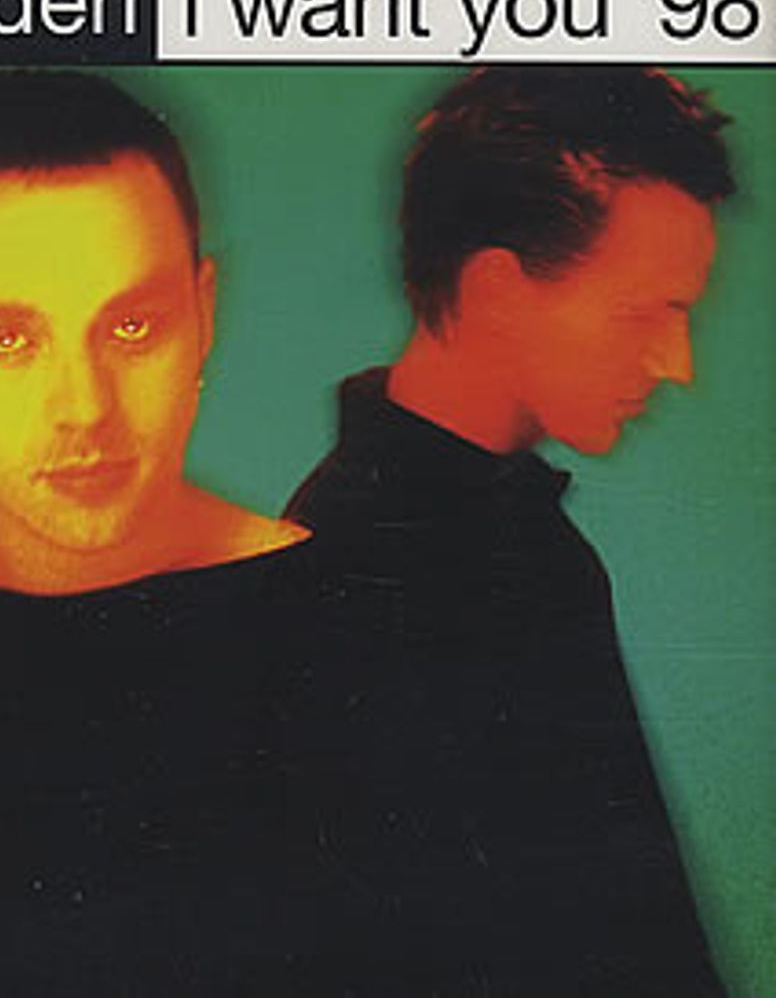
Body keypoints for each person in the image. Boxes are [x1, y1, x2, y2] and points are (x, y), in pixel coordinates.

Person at [0, 70, 393, 996]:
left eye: (133, 325)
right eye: (7, 340)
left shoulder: (375, 641)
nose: (83, 406)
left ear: (204, 315)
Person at [286, 67, 732, 995]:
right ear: (496, 291)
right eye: (644, 313)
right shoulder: (349, 586)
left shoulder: (531, 550)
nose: (678, 363)